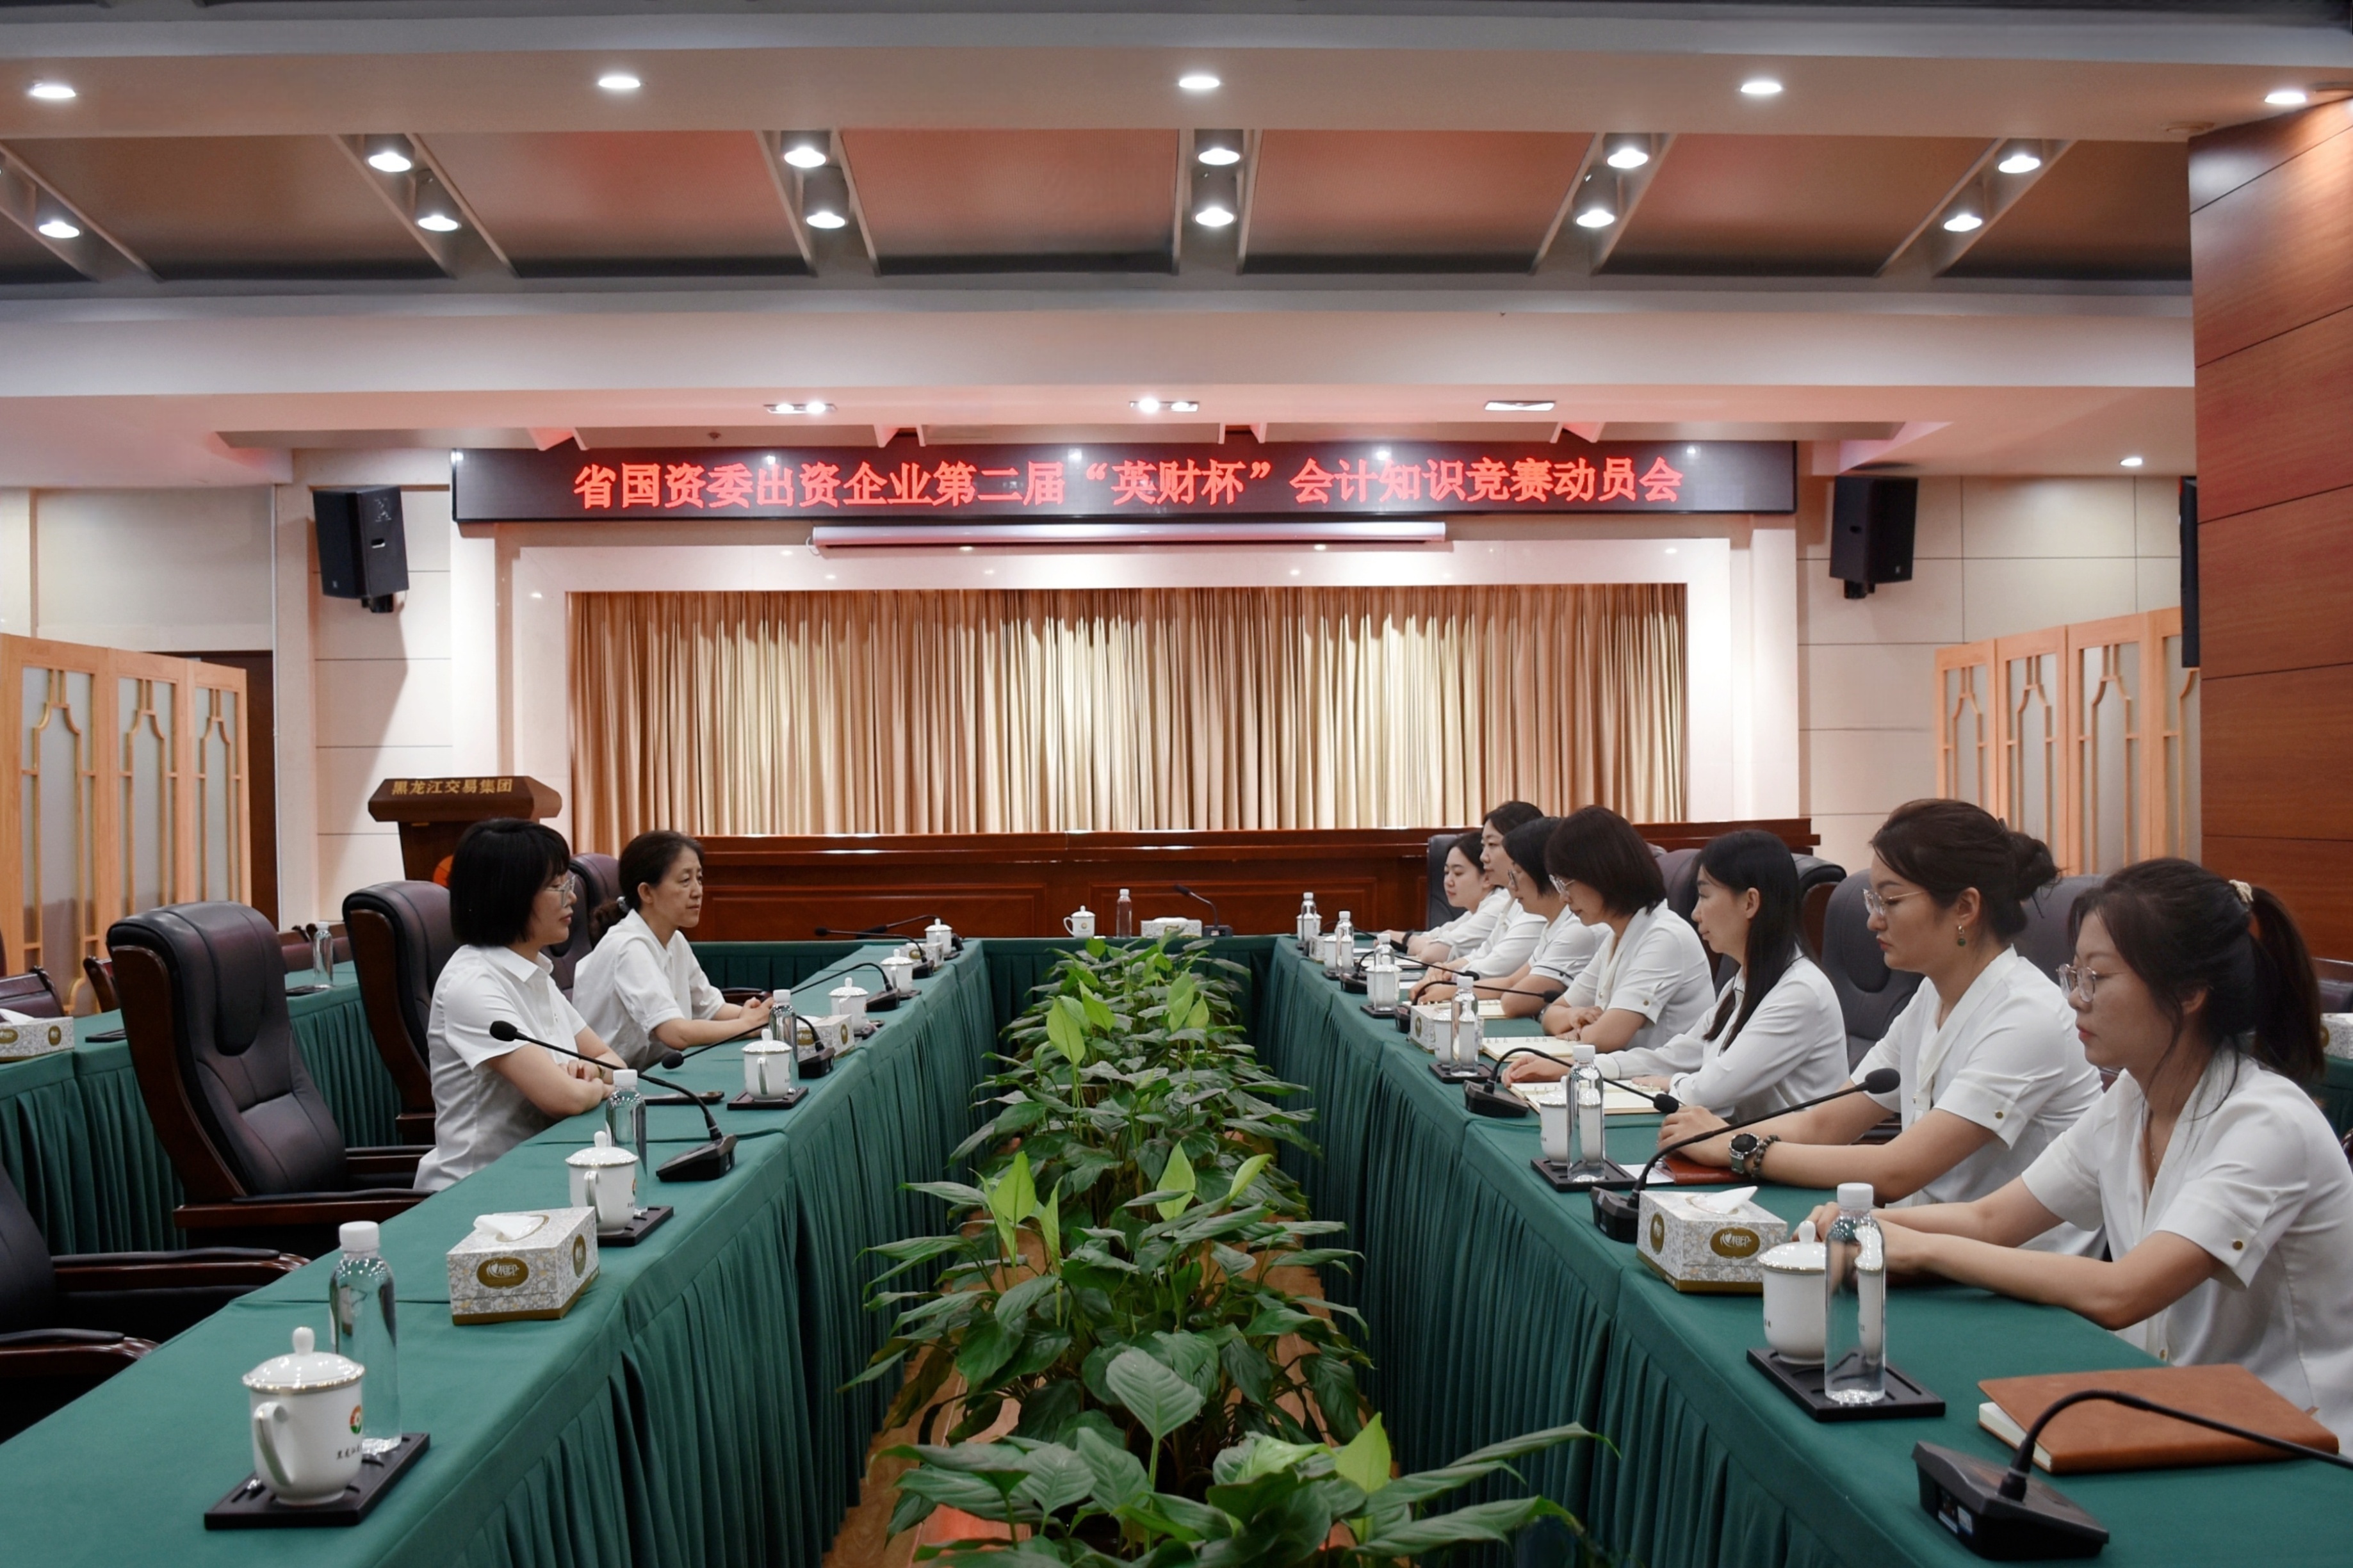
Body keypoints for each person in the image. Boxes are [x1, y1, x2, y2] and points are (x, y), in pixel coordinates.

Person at [1820, 860, 2353, 1441]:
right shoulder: (2132, 1097)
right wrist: (1866, 1224)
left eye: (2096, 977)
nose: (2075, 997)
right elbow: (1992, 1219)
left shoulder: (2267, 1124)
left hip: (2302, 1442)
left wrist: (1919, 1248)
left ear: (2189, 992)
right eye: (2073, 972)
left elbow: (2122, 1292)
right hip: (2181, 1413)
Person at [1659, 799, 2103, 1253]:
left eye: (1890, 901)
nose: (1873, 919)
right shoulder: (1931, 998)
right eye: (1873, 900)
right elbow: (1825, 1125)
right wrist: (1718, 1136)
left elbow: (1898, 1170)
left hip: (2009, 1274)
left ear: (1965, 907)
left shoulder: (2027, 1016)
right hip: (1923, 1249)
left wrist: (1738, 1148)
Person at [414, 819, 628, 1193]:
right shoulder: (472, 984)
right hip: (477, 1191)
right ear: (509, 894)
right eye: (557, 887)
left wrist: (589, 1073)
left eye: (569, 884)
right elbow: (563, 1098)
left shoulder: (534, 972)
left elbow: (615, 1064)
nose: (572, 899)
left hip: (539, 1172)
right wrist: (598, 1086)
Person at [1595, 830, 1848, 1124]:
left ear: (1750, 903)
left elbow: (1711, 1089)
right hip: (1744, 1141)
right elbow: (1681, 1055)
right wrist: (1597, 1066)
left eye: (1704, 896)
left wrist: (1668, 1083)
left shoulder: (1800, 992)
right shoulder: (1744, 982)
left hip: (1787, 1151)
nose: (1695, 913)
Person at [1511, 807, 1714, 1075]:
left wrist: (1583, 1032)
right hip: (1623, 1078)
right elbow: (1552, 1016)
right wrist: (1573, 1017)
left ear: (1602, 874)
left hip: (1662, 1088)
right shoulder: (1616, 937)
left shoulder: (1665, 937)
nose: (1564, 897)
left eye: (1566, 884)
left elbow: (1605, 1038)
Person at [574, 830, 772, 1068]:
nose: (698, 891)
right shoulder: (628, 947)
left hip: (654, 1070)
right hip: (615, 1082)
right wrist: (746, 1025)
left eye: (699, 879)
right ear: (646, 892)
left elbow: (711, 1008)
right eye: (685, 881)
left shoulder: (675, 939)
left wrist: (753, 1014)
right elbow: (674, 1033)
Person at [1447, 816, 1601, 1017]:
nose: (1512, 885)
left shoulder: (1579, 929)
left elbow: (1514, 1002)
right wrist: (1453, 990)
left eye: (1517, 873)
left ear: (1543, 872)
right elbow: (1511, 982)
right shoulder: (1553, 924)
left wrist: (1453, 990)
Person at [1412, 801, 1549, 1000]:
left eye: (1492, 845)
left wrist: (1447, 977)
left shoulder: (1537, 908)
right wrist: (1447, 968)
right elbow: (1484, 953)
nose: (1484, 857)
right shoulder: (1511, 902)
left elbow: (1494, 968)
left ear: (1522, 847)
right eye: (1483, 846)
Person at [1398, 832, 1499, 964]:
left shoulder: (1496, 908)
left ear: (1487, 878)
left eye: (1458, 873)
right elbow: (1435, 935)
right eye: (1447, 872)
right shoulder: (1474, 911)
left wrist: (1411, 941)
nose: (1448, 882)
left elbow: (1431, 955)